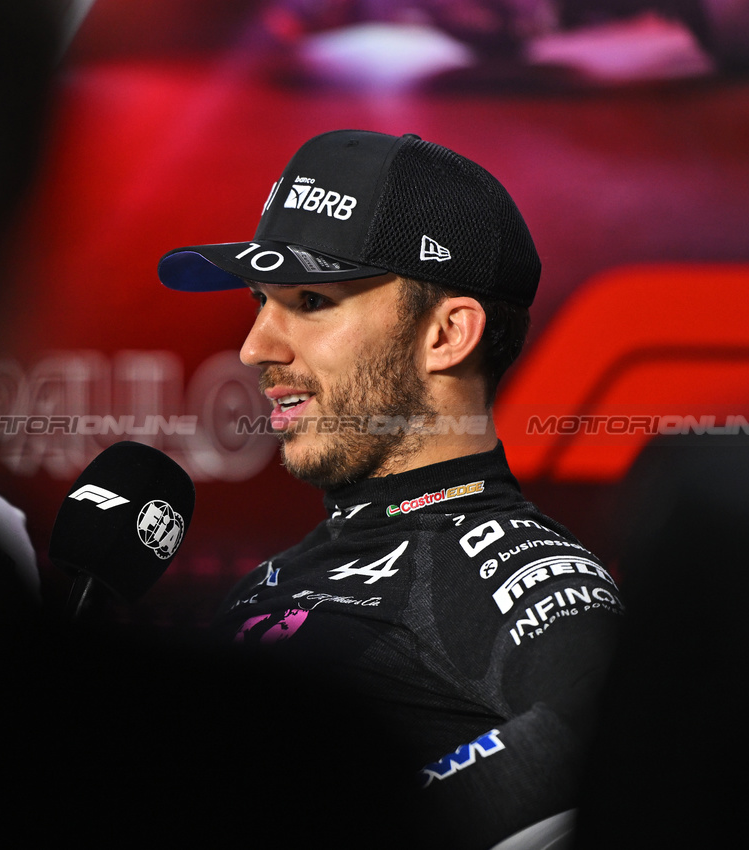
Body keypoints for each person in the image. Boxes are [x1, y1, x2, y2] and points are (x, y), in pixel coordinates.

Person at [157, 129, 622, 848]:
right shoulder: (271, 579)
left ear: (445, 335)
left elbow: (626, 731)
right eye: (260, 300)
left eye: (310, 300)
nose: (254, 348)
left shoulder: (508, 566)